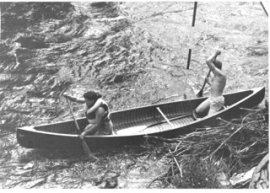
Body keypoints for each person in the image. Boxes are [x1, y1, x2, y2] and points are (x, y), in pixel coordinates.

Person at [194, 50, 227, 118]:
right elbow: (216, 87)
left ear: (215, 67)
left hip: (217, 101)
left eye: (212, 68)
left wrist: (215, 53)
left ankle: (218, 110)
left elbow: (208, 61)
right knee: (197, 111)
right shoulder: (216, 75)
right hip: (212, 98)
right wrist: (209, 82)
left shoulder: (221, 75)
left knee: (208, 120)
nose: (211, 69)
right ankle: (218, 111)